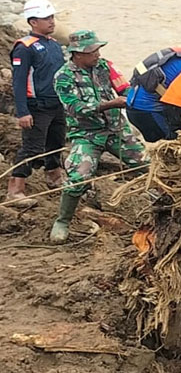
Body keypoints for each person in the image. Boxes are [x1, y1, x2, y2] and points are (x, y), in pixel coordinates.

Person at [50, 31, 147, 244]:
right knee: (79, 177)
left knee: (148, 164)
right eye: (91, 51)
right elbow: (76, 109)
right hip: (87, 135)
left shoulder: (104, 66)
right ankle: (63, 220)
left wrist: (137, 97)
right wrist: (111, 104)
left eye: (97, 49)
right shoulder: (63, 76)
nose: (97, 54)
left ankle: (165, 204)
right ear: (77, 54)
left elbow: (123, 86)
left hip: (116, 130)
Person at [7, 0, 66, 208]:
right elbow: (19, 81)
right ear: (33, 22)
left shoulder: (54, 45)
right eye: (46, 18)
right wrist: (23, 112)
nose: (51, 22)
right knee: (32, 148)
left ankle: (54, 177)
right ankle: (15, 188)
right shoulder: (25, 47)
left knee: (56, 143)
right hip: (37, 106)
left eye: (51, 17)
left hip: (56, 104)